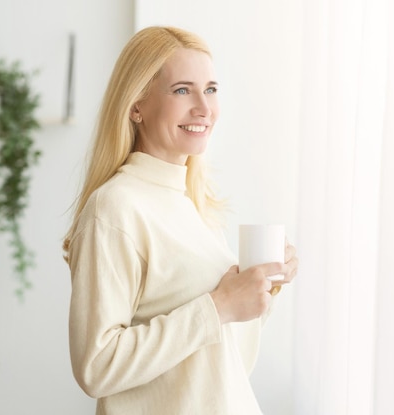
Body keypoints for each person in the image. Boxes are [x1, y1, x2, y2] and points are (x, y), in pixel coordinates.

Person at [63, 26, 298, 415]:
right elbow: (96, 367)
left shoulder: (194, 206)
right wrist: (218, 306)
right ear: (136, 105)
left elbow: (218, 362)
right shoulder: (115, 209)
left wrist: (260, 289)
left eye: (211, 89)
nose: (204, 108)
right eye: (182, 90)